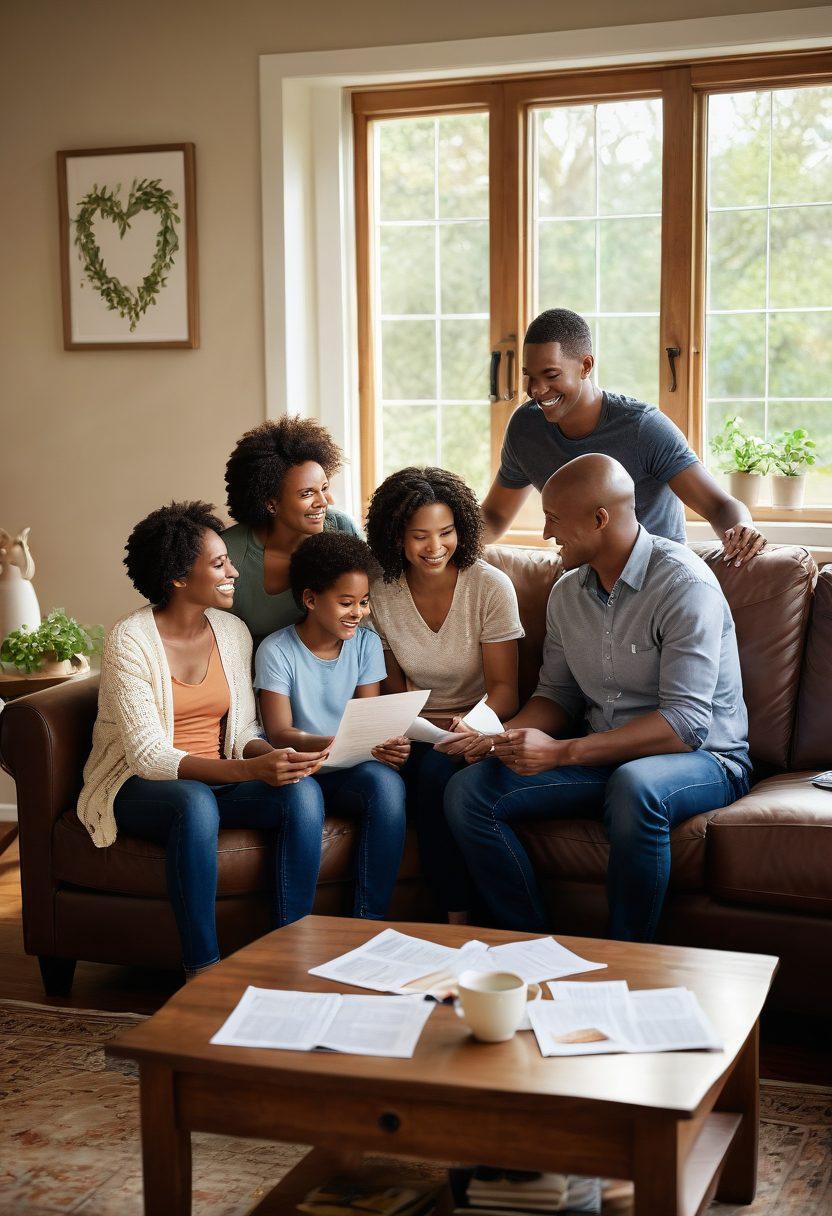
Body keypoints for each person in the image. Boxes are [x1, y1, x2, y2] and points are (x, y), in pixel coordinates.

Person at [446, 454, 752, 942]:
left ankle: (626, 956)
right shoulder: (567, 593)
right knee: (469, 792)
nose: (546, 534)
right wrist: (500, 737)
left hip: (703, 758)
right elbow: (557, 695)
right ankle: (530, 947)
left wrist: (562, 752)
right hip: (604, 755)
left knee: (634, 785)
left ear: (599, 518)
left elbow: (685, 724)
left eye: (553, 520)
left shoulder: (683, 585)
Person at [78, 502, 331, 980]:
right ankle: (202, 969)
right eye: (219, 564)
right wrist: (249, 771)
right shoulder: (129, 639)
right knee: (193, 804)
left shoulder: (231, 631)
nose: (234, 571)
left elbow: (240, 734)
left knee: (301, 792)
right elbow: (151, 757)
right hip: (137, 784)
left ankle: (290, 951)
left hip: (218, 778)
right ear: (177, 577)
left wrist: (271, 756)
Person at [481, 308, 767, 566]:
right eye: (528, 376)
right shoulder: (526, 428)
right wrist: (442, 537)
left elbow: (718, 505)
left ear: (586, 366)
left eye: (551, 375)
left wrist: (743, 527)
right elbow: (494, 517)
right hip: (582, 582)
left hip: (654, 578)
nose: (537, 389)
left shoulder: (643, 428)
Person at [365, 466, 523, 923]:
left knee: (437, 773)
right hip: (417, 728)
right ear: (396, 537)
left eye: (446, 532)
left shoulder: (490, 587)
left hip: (480, 726)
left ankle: (455, 916)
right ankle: (449, 916)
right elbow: (392, 691)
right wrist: (403, 732)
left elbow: (506, 692)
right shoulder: (380, 594)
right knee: (415, 770)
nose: (434, 548)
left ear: (463, 529)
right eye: (419, 536)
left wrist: (472, 726)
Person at [255, 531, 408, 920]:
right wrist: (335, 740)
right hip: (301, 768)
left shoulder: (366, 644)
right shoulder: (276, 650)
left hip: (349, 769)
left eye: (363, 602)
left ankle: (366, 923)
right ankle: (293, 931)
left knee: (387, 784)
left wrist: (385, 744)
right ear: (310, 599)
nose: (358, 612)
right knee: (304, 795)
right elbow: (279, 733)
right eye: (345, 603)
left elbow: (368, 718)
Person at [223, 417, 362, 647]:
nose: (324, 502)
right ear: (271, 503)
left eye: (324, 488)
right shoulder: (230, 552)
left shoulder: (341, 529)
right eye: (307, 493)